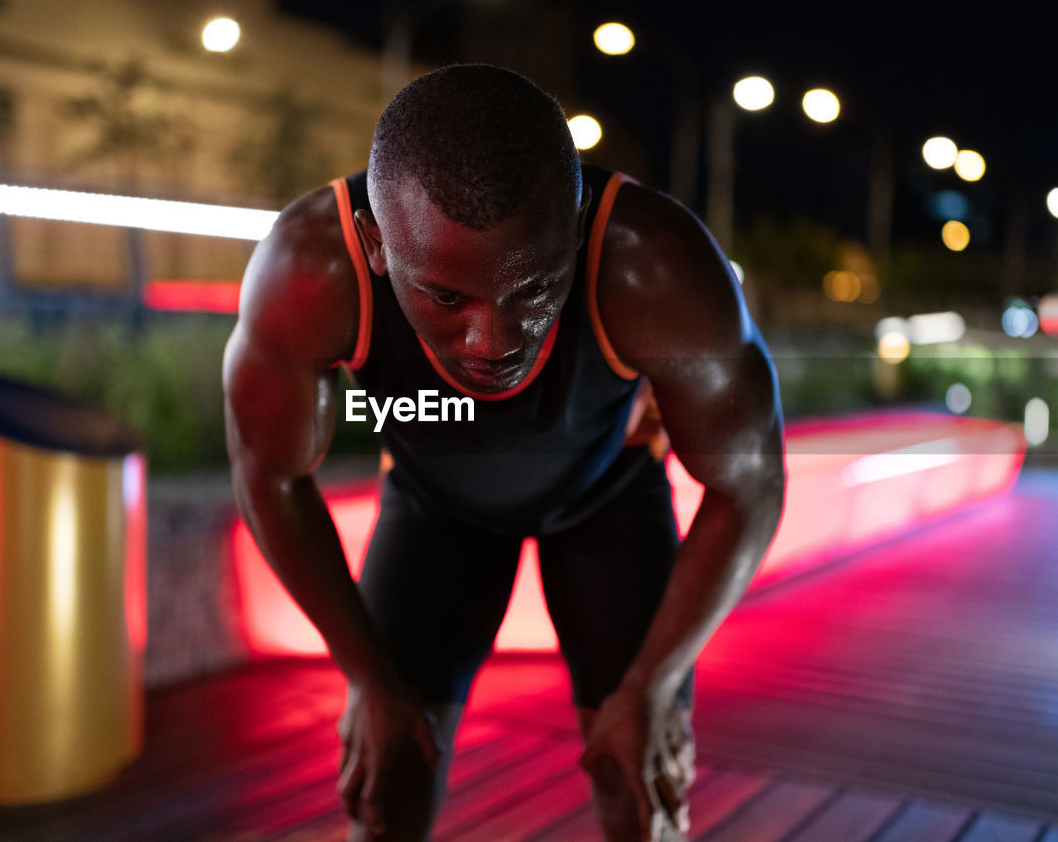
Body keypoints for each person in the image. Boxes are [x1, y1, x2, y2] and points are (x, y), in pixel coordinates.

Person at [223, 64, 785, 842]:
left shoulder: (654, 265)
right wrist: (366, 677)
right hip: (435, 507)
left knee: (641, 783)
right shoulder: (311, 271)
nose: (497, 341)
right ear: (380, 247)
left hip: (605, 499)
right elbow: (270, 476)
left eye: (535, 287)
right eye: (447, 299)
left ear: (578, 221)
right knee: (388, 779)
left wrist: (653, 688)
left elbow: (750, 486)